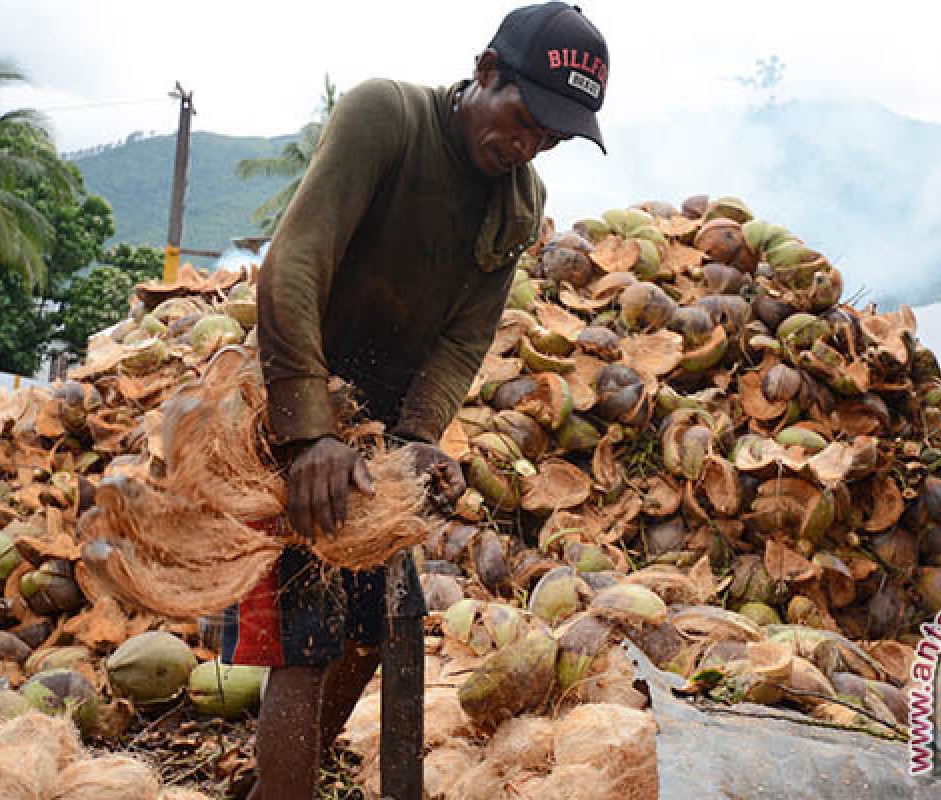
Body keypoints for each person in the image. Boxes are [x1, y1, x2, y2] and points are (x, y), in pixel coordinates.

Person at [221, 4, 610, 798]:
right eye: (525, 118)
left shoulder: (517, 204)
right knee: (304, 632)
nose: (528, 144)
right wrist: (306, 435)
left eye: (551, 137)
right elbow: (294, 263)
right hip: (293, 399)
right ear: (487, 71)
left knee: (368, 633)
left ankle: (279, 784)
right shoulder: (386, 115)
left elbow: (464, 339)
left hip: (372, 438)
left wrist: (416, 441)